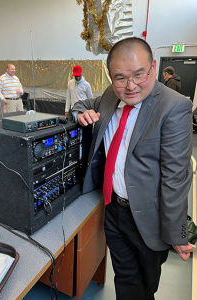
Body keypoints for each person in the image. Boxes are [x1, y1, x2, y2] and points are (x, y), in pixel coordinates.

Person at [72, 37, 193, 300]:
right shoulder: (108, 96)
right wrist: (79, 113)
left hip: (151, 219)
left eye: (139, 74)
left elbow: (176, 177)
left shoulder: (173, 106)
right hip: (113, 210)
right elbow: (82, 105)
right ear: (110, 76)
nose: (131, 86)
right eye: (121, 78)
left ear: (153, 67)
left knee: (146, 285)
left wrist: (177, 233)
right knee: (125, 279)